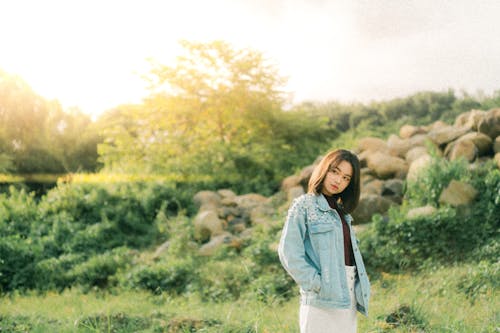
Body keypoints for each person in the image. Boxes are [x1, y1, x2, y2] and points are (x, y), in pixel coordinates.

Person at [278, 149, 370, 333]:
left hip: (347, 297)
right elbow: (288, 252)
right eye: (335, 172)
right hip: (320, 299)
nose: (338, 181)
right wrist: (315, 284)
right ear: (324, 169)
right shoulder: (304, 205)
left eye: (346, 178)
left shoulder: (342, 213)